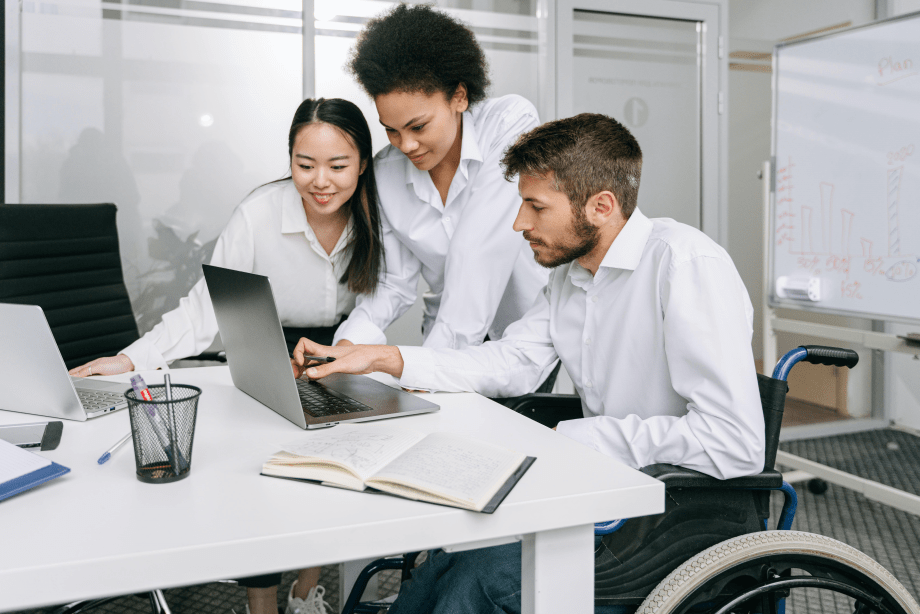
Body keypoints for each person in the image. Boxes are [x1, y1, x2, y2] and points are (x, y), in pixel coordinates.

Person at [290, 113, 766, 614]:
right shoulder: (572, 276)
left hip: (680, 519)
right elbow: (515, 359)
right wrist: (385, 358)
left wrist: (588, 436)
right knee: (451, 558)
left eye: (535, 206)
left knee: (477, 582)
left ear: (601, 206)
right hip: (609, 495)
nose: (519, 223)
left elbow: (735, 443)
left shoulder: (685, 265)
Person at [70, 97, 385, 614]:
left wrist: (346, 354)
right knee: (261, 473)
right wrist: (130, 360)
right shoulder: (259, 214)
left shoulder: (377, 216)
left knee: (331, 471)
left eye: (338, 165)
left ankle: (309, 586)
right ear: (289, 161)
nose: (320, 180)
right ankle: (259, 600)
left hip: (339, 350)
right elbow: (204, 311)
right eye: (305, 165)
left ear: (364, 164)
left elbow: (380, 300)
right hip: (264, 345)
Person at [333, 5, 557, 391]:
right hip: (440, 345)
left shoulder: (509, 123)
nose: (407, 145)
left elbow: (479, 252)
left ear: (459, 96)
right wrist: (348, 346)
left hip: (521, 341)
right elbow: (393, 284)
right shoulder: (386, 173)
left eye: (418, 126)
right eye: (392, 131)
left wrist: (423, 372)